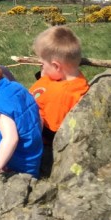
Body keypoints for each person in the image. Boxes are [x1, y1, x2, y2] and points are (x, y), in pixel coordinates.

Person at [28, 26, 89, 172]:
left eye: (42, 64)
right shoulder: (64, 78)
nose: (41, 68)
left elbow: (50, 132)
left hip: (36, 142)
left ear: (56, 66)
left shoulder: (63, 97)